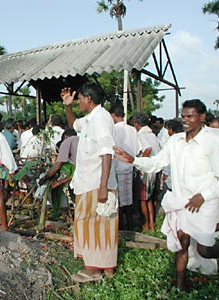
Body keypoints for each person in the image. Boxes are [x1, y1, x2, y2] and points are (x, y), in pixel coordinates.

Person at [114, 99, 219, 291]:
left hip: (204, 203)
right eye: (183, 116)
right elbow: (157, 163)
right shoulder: (175, 141)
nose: (185, 120)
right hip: (180, 202)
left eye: (190, 116)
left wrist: (203, 196)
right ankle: (180, 286)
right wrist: (133, 159)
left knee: (204, 249)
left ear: (202, 118)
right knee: (181, 243)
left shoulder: (213, 142)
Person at [61, 82, 118, 282]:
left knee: (94, 225)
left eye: (78, 99)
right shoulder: (90, 119)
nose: (78, 102)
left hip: (95, 182)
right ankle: (105, 266)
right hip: (88, 181)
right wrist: (67, 106)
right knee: (98, 224)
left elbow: (107, 152)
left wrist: (103, 187)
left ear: (89, 99)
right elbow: (73, 125)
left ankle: (94, 269)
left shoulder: (100, 119)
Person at [109, 102, 141, 230]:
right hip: (129, 168)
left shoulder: (114, 130)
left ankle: (121, 227)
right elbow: (139, 149)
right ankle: (130, 225)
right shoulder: (132, 129)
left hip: (117, 169)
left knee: (119, 201)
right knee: (128, 200)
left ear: (113, 115)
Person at [132, 112, 161, 231]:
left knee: (142, 198)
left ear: (138, 124)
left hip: (146, 170)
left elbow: (147, 149)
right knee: (149, 199)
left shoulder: (141, 134)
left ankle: (146, 225)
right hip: (154, 170)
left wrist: (141, 164)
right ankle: (152, 225)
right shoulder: (152, 134)